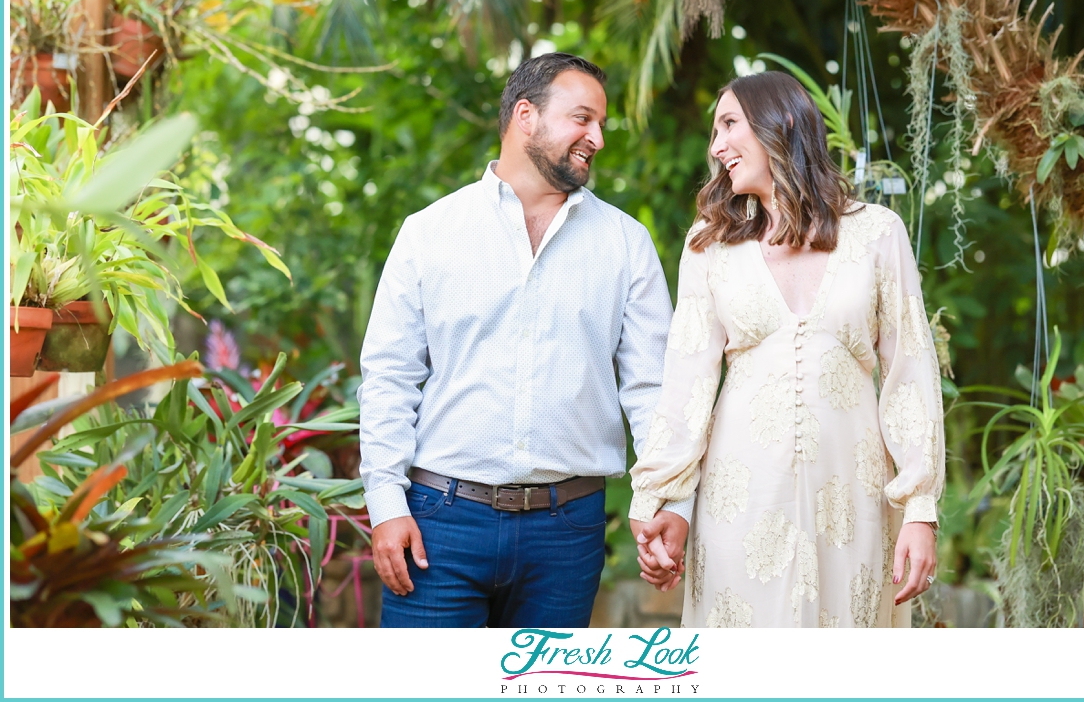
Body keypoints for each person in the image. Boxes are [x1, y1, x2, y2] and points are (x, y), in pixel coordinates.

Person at [357, 52, 692, 628]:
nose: (597, 139)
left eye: (602, 125)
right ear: (525, 115)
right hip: (439, 523)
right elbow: (389, 377)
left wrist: (666, 501)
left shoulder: (625, 244)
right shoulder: (429, 232)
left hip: (568, 531)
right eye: (582, 119)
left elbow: (653, 389)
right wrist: (386, 504)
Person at [628, 70, 944, 628]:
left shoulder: (877, 233)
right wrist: (659, 498)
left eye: (729, 124)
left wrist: (919, 510)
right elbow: (686, 384)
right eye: (714, 131)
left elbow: (910, 375)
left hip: (852, 496)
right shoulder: (709, 245)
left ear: (784, 121)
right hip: (740, 498)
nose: (716, 146)